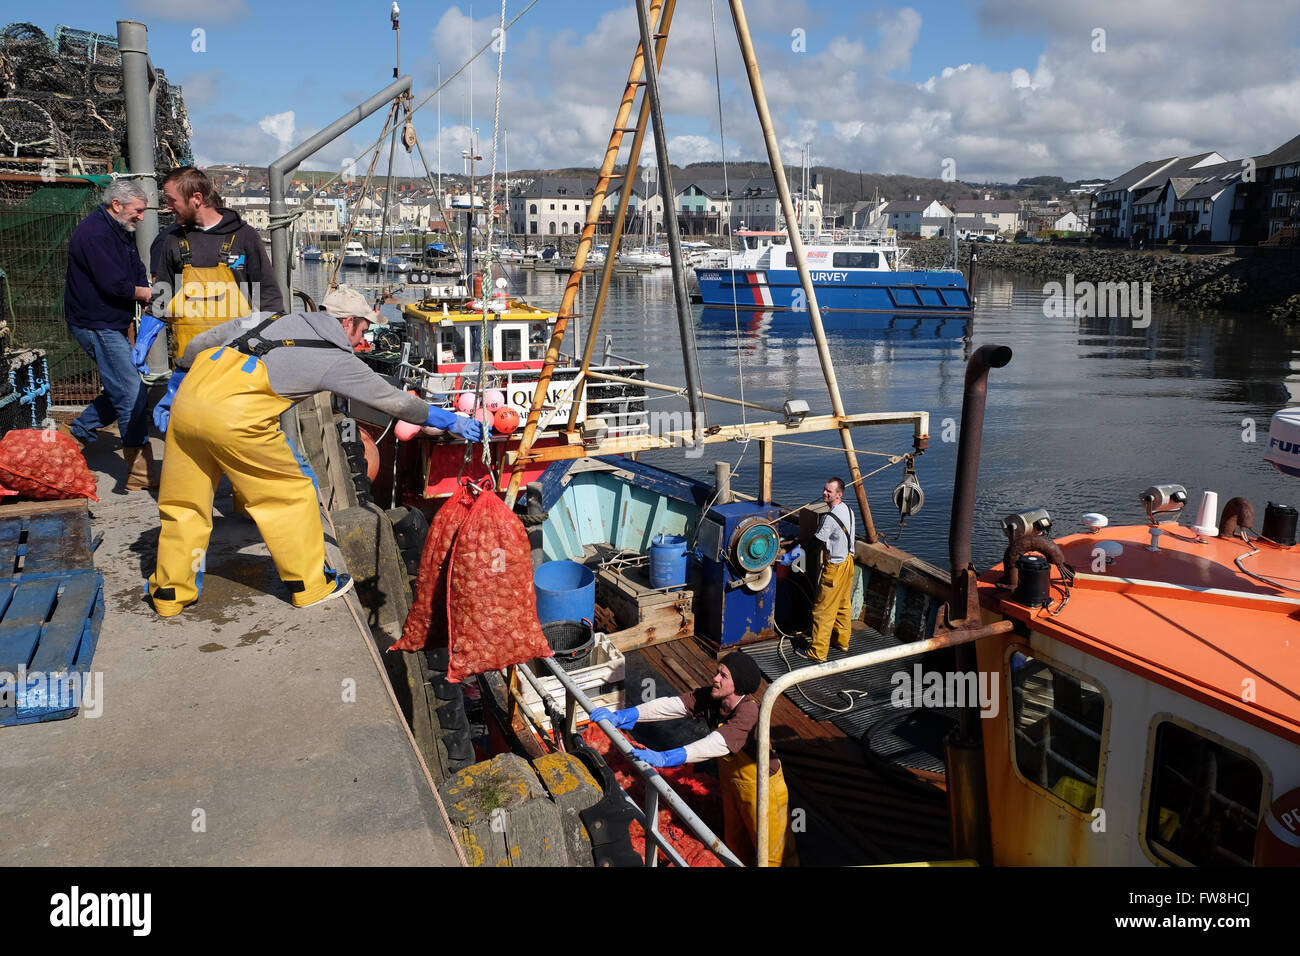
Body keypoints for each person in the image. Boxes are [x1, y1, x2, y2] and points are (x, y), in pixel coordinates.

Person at [145, 287, 482, 617]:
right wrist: (449, 419)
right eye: (362, 330)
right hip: (236, 418)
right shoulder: (335, 359)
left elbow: (203, 342)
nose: (362, 340)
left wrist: (177, 380)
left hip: (188, 404)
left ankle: (170, 592)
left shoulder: (270, 319)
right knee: (291, 497)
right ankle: (311, 585)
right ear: (347, 322)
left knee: (184, 504)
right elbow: (394, 400)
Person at [590, 651, 798, 867]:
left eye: (723, 676)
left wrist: (667, 757)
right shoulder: (714, 697)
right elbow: (675, 705)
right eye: (717, 672)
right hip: (732, 784)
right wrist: (628, 714)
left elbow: (715, 743)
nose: (715, 678)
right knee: (736, 843)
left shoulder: (748, 714)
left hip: (762, 787)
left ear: (737, 685)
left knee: (772, 854)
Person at [137, 166, 284, 370]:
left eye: (172, 199)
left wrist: (274, 347)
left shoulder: (244, 236)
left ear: (196, 198)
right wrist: (144, 339)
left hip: (236, 360)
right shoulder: (173, 240)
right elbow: (163, 294)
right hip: (188, 362)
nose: (168, 206)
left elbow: (267, 296)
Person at [62, 179, 157, 490]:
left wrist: (144, 285)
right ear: (117, 205)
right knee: (131, 391)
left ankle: (76, 434)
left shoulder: (117, 229)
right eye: (138, 210)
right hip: (96, 323)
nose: (142, 217)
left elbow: (135, 268)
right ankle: (139, 474)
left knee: (121, 386)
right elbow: (113, 283)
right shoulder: (95, 234)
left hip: (107, 321)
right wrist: (145, 293)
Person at [805, 476, 855, 662]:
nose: (824, 493)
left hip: (834, 567)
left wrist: (793, 553)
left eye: (829, 491)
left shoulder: (829, 518)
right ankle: (842, 641)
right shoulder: (848, 510)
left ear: (839, 494)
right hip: (848, 563)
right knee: (843, 604)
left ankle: (817, 652)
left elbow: (814, 545)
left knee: (822, 610)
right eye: (824, 489)